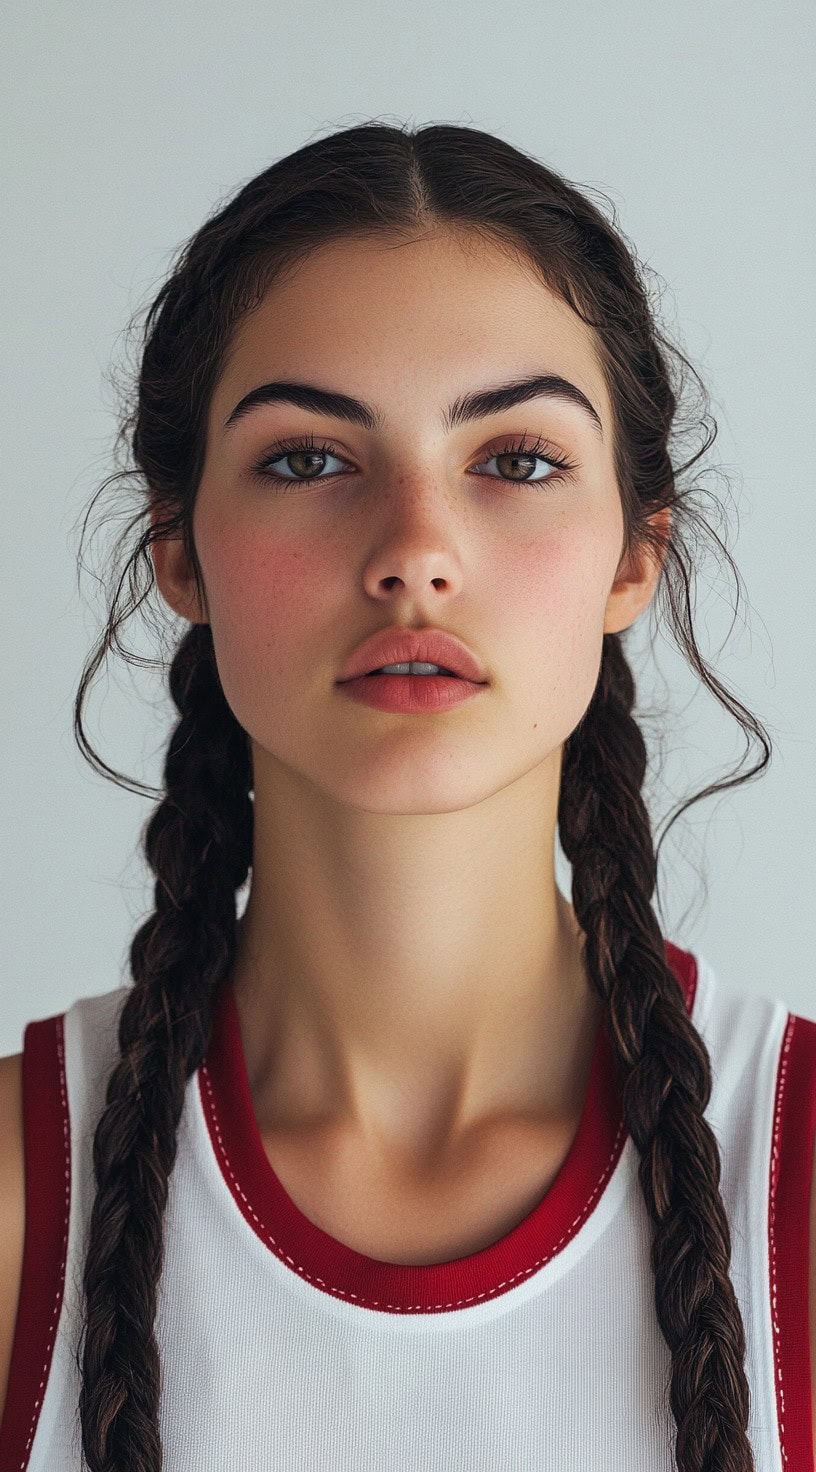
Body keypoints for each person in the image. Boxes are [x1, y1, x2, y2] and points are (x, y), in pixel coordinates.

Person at [0, 120, 812, 1472]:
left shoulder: (788, 1178)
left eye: (517, 461)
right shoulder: (23, 1209)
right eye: (309, 460)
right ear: (178, 553)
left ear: (635, 557)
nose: (417, 553)